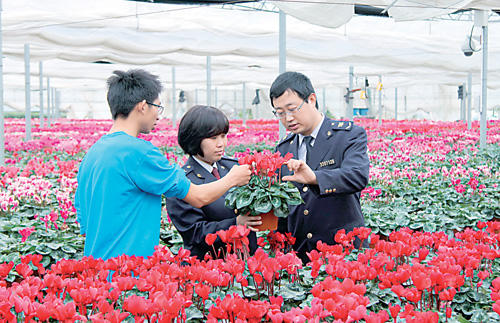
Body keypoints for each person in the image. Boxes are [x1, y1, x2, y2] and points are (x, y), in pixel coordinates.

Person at [74, 69, 251, 261]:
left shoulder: (91, 155)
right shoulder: (139, 152)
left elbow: (85, 228)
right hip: (129, 272)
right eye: (158, 106)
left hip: (95, 272)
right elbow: (198, 197)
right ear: (143, 106)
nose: (158, 115)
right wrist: (233, 178)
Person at [270, 71, 370, 264]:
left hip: (342, 250)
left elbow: (357, 176)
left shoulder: (347, 135)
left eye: (292, 109)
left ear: (312, 99)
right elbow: (283, 203)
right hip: (300, 254)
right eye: (280, 113)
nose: (288, 118)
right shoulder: (284, 147)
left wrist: (315, 178)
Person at [165, 105, 261, 260]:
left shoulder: (233, 166)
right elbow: (194, 233)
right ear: (194, 139)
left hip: (248, 262)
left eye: (223, 136)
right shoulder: (182, 181)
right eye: (213, 138)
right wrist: (235, 223)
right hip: (210, 268)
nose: (221, 143)